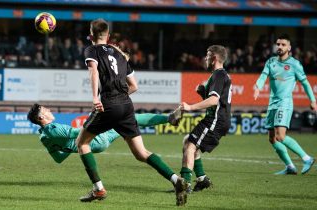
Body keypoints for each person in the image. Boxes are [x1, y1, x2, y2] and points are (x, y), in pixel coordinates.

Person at [76, 18, 188, 205]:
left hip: (109, 105)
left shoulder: (91, 50)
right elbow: (134, 86)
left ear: (91, 35)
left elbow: (93, 72)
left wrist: (97, 98)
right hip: (126, 105)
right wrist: (119, 98)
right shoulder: (120, 54)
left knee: (82, 143)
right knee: (141, 153)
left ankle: (99, 189)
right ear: (109, 36)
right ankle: (177, 180)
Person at [172, 45, 232, 200]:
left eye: (207, 55)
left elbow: (214, 100)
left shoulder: (219, 75)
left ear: (214, 58)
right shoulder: (219, 75)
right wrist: (203, 92)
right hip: (217, 119)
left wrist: (190, 107)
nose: (205, 58)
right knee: (189, 142)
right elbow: (215, 99)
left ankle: (185, 185)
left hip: (216, 121)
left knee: (190, 146)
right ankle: (202, 180)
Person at [27, 104, 176, 165]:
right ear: (40, 118)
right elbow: (74, 133)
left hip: (95, 145)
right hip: (96, 140)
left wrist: (71, 147)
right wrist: (96, 123)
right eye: (45, 109)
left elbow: (58, 158)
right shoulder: (53, 128)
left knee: (131, 120)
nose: (49, 110)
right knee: (132, 118)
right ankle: (169, 118)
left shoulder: (43, 137)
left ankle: (169, 118)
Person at [253, 34, 316, 175]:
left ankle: (307, 158)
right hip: (272, 104)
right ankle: (290, 167)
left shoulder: (294, 64)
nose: (280, 47)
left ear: (289, 47)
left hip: (285, 103)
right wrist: (258, 86)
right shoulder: (271, 62)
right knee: (272, 138)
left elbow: (305, 83)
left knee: (280, 136)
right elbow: (263, 75)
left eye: (283, 45)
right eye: (278, 44)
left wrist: (312, 100)